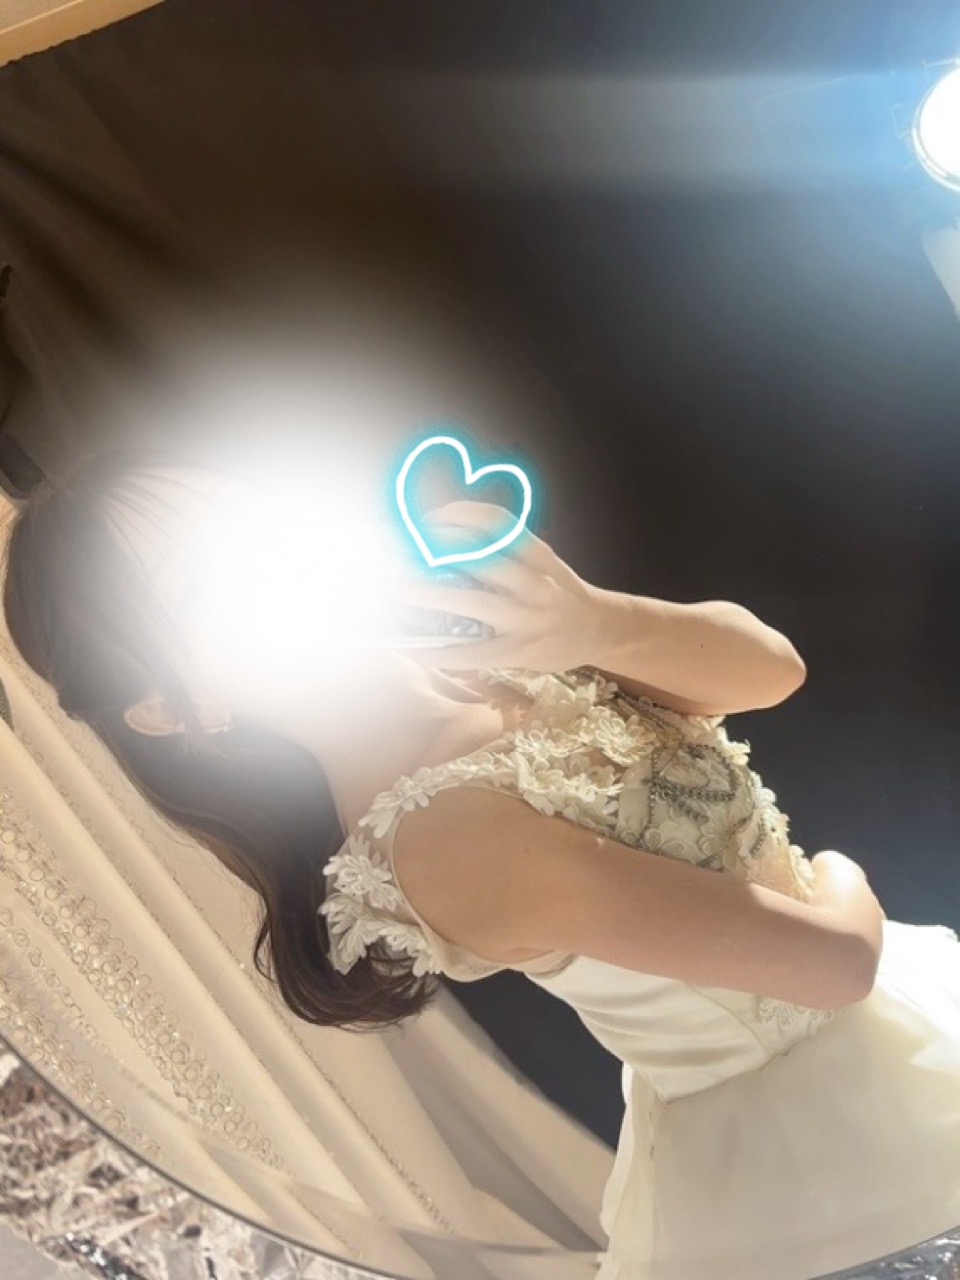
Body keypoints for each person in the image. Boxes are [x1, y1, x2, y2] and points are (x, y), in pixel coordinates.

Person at [2, 445, 959, 1280]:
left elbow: (772, 670)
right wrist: (835, 868)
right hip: (820, 1149)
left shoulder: (480, 649)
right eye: (199, 583)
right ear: (167, 709)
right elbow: (834, 965)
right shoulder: (444, 840)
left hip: (877, 1028)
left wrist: (590, 620)